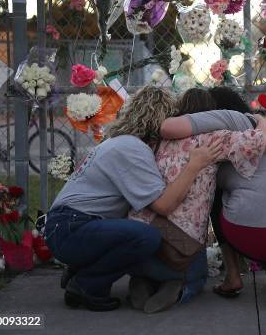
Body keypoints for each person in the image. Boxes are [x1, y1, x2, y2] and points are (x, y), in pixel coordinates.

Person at [44, 86, 223, 311]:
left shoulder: (118, 142)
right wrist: (194, 165)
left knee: (140, 234)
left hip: (67, 226)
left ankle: (84, 269)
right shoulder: (133, 149)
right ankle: (87, 285)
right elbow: (164, 205)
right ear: (160, 121)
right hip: (71, 229)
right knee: (146, 237)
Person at [160, 87, 266, 307]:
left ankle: (233, 276)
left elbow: (167, 128)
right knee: (264, 203)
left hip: (251, 232)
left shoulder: (228, 125)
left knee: (215, 192)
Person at [129, 88, 266, 312]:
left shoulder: (157, 140)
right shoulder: (213, 138)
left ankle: (143, 278)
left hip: (142, 225)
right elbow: (264, 142)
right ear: (210, 114)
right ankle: (180, 285)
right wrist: (259, 119)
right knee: (198, 275)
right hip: (181, 238)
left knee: (150, 257)